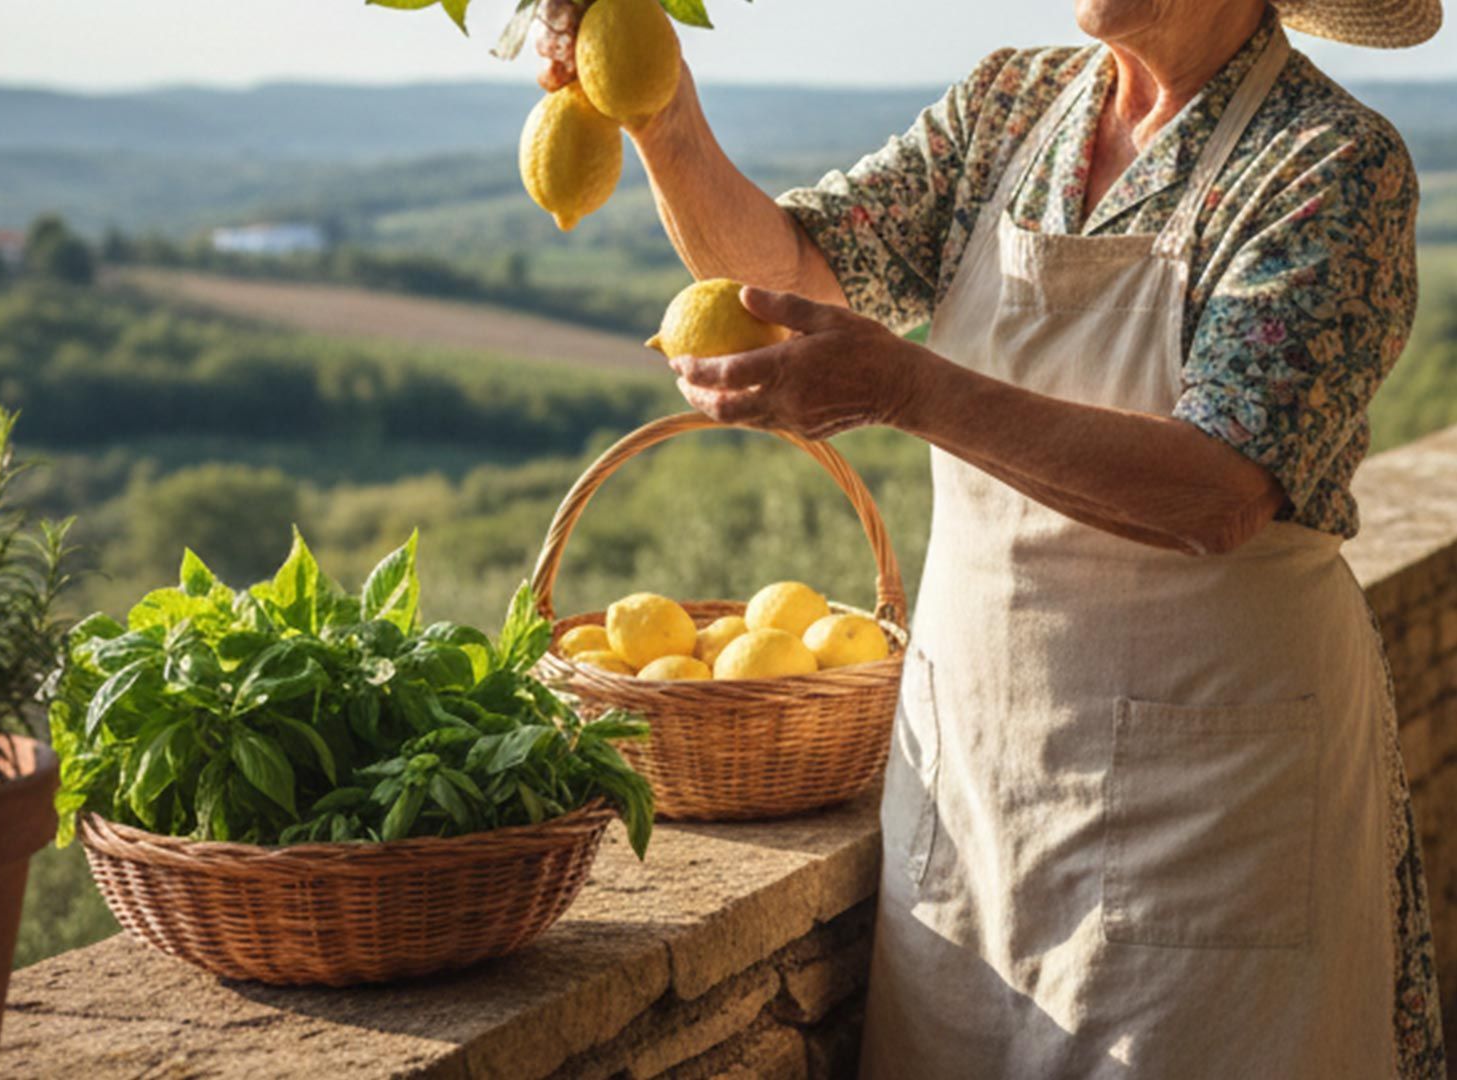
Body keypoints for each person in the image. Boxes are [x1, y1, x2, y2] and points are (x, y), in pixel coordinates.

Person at [538, 0, 1447, 1074]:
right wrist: (659, 115)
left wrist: (903, 386)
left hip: (1215, 799)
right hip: (975, 786)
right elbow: (792, 278)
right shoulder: (1008, 105)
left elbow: (1215, 488)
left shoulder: (1330, 163)